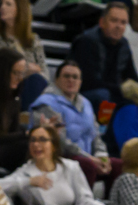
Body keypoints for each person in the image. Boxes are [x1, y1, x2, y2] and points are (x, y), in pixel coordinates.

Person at [30, 60, 116, 188]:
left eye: (75, 77)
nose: (71, 80)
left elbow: (96, 135)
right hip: (61, 157)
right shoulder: (46, 103)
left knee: (117, 165)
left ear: (80, 82)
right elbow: (61, 142)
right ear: (56, 79)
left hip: (88, 158)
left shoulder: (86, 104)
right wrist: (90, 159)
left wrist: (102, 156)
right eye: (66, 76)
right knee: (87, 166)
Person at [0, 0, 48, 108]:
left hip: (31, 87)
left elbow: (44, 72)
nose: (2, 7)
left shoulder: (34, 40)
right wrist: (28, 69)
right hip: (4, 89)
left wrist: (28, 70)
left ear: (20, 10)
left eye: (8, 4)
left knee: (38, 81)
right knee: (35, 80)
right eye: (1, 4)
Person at [70, 1, 136, 109]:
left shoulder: (124, 44)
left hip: (112, 92)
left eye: (123, 22)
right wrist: (121, 90)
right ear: (102, 22)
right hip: (84, 95)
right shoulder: (86, 41)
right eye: (114, 20)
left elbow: (132, 76)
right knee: (103, 95)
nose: (118, 26)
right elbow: (88, 82)